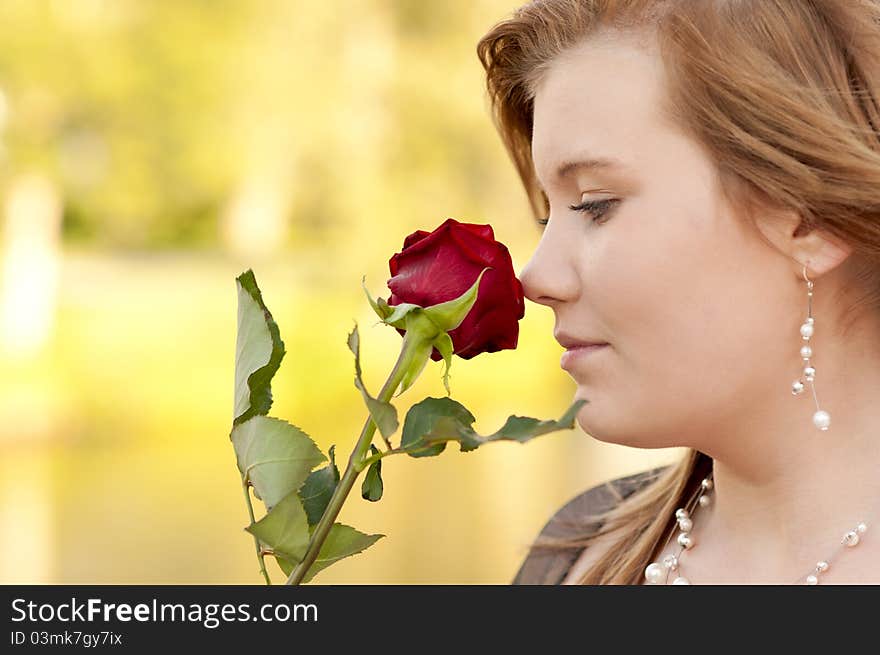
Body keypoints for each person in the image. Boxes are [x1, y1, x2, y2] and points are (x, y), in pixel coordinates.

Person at [477, 0, 880, 584]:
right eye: (548, 217)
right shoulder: (570, 556)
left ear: (808, 219)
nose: (535, 277)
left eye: (595, 204)